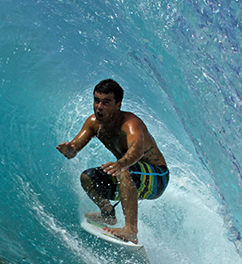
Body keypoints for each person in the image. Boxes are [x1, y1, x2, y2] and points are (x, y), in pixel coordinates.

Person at [56, 79, 169, 244]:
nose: (99, 106)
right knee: (87, 178)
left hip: (158, 177)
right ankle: (107, 213)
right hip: (130, 175)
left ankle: (131, 230)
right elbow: (74, 149)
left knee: (125, 170)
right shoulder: (93, 123)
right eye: (96, 100)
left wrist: (120, 164)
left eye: (106, 102)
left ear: (118, 105)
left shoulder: (130, 124)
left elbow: (137, 151)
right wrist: (69, 151)